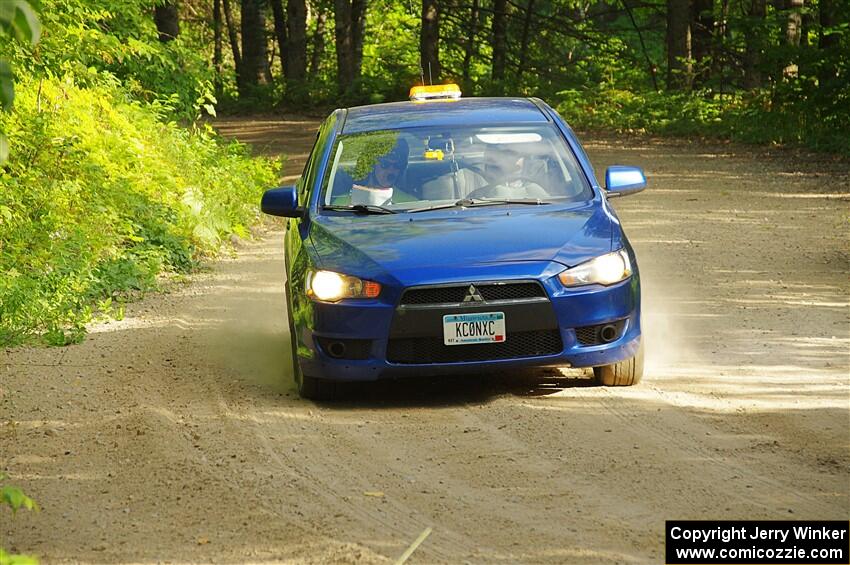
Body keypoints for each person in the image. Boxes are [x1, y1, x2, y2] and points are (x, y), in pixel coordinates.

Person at [330, 138, 411, 206]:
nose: (391, 171)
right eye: (385, 164)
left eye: (397, 165)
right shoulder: (343, 203)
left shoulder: (409, 203)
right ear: (372, 165)